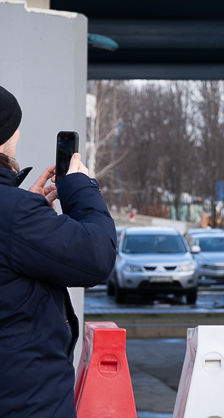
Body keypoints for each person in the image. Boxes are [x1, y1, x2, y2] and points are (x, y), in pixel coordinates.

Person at [0, 85, 117, 418]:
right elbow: (97, 255)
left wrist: (26, 209)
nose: (18, 134)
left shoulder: (16, 214)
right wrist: (80, 186)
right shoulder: (14, 215)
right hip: (23, 403)